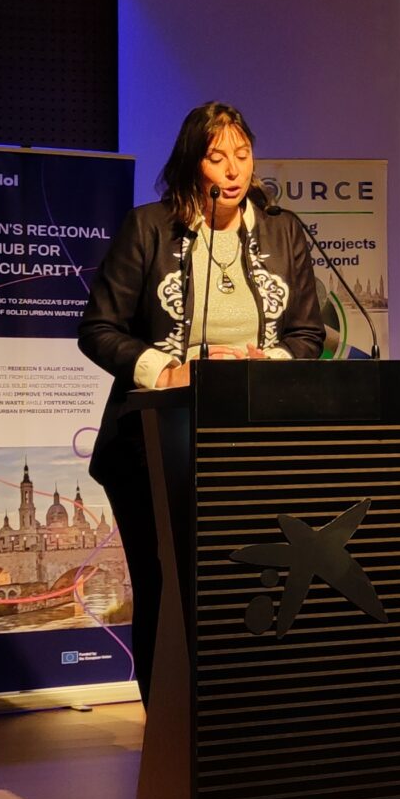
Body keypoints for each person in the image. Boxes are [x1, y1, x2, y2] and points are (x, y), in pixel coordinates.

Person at [78, 102, 325, 700]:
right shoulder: (149, 228)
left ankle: (241, 718)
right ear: (193, 164)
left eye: (243, 155)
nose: (234, 170)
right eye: (218, 157)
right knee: (166, 585)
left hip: (254, 442)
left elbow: (308, 335)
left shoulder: (283, 229)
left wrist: (272, 364)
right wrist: (165, 371)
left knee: (249, 582)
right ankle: (168, 726)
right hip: (155, 445)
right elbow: (99, 328)